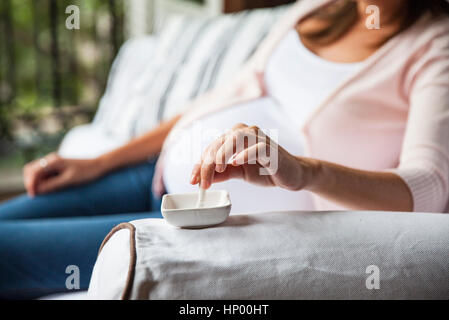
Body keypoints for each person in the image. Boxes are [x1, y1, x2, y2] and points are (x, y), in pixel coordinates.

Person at [1, 0, 448, 299]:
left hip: (205, 221)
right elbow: (227, 96)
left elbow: (427, 189)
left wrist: (306, 171)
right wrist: (99, 162)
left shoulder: (435, 46)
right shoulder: (320, 8)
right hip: (153, 176)